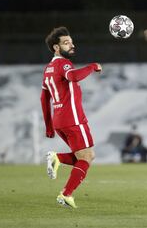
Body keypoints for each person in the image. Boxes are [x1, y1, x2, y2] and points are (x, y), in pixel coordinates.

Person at [40, 26, 102, 208]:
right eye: (66, 43)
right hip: (73, 119)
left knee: (84, 156)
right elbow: (73, 76)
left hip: (60, 121)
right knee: (87, 156)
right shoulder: (62, 64)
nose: (71, 45)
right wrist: (92, 66)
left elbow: (44, 98)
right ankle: (66, 194)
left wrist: (49, 125)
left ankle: (57, 159)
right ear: (56, 48)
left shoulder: (48, 68)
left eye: (71, 42)